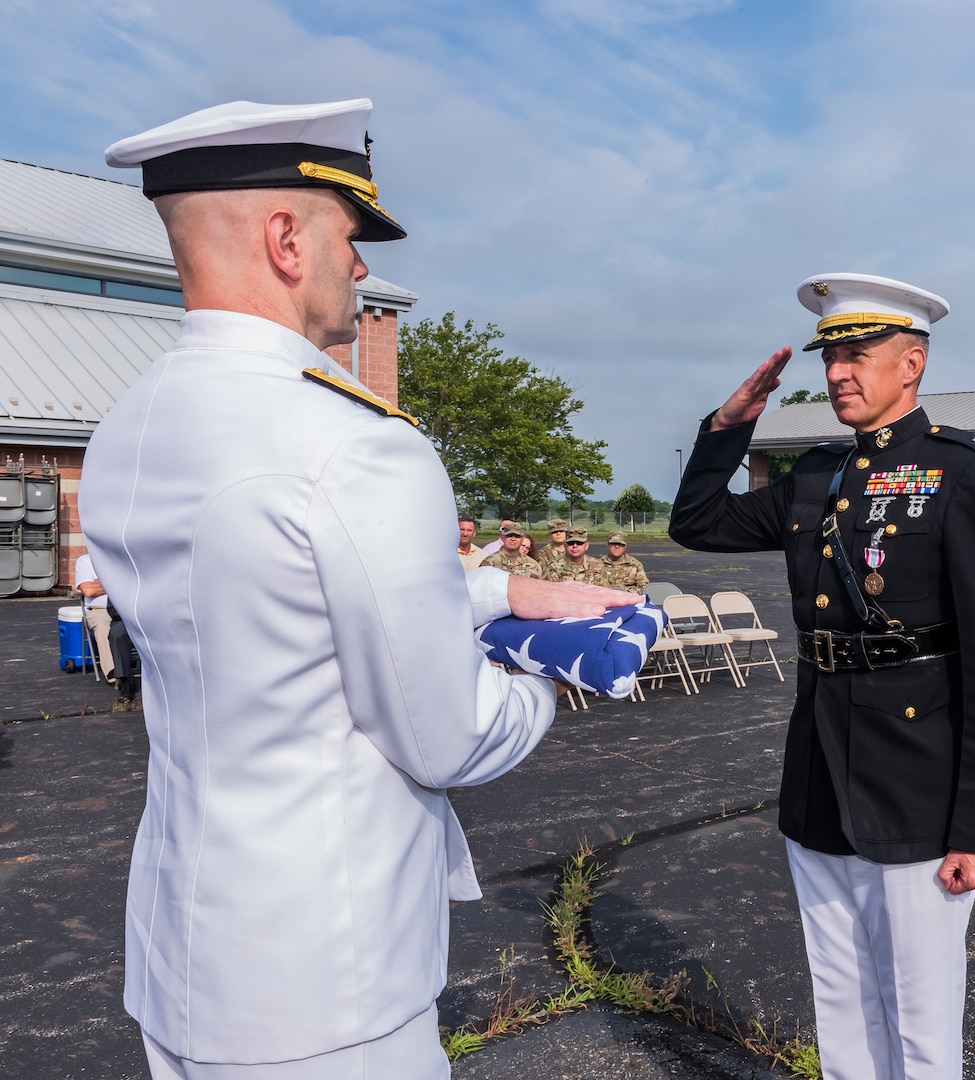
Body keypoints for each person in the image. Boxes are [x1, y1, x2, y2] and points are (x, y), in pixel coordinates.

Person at [80, 99, 635, 1080]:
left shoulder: (131, 425)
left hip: (183, 962)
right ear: (287, 239)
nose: (363, 266)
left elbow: (269, 612)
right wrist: (556, 668)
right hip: (327, 993)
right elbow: (447, 731)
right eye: (349, 234)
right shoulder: (356, 444)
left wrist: (502, 588)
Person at [669, 273, 975, 1080]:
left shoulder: (964, 472)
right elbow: (697, 523)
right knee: (839, 989)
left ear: (912, 364)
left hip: (918, 774)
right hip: (820, 769)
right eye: (830, 357)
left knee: (918, 999)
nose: (838, 372)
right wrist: (728, 427)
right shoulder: (814, 475)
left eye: (858, 354)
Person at [73, 549, 116, 683]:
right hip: (99, 610)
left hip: (126, 609)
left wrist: (100, 582)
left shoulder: (122, 558)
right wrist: (116, 583)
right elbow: (88, 590)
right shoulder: (85, 561)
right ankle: (113, 672)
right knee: (103, 627)